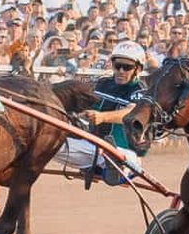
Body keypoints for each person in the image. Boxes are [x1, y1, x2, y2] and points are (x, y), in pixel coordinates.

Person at [56, 40, 147, 184]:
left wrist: (103, 117)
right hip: (94, 149)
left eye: (127, 67)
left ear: (138, 69)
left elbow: (131, 113)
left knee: (118, 156)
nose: (121, 71)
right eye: (117, 66)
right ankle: (101, 165)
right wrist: (80, 114)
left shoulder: (141, 90)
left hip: (125, 152)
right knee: (52, 145)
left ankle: (116, 167)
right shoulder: (102, 83)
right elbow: (85, 105)